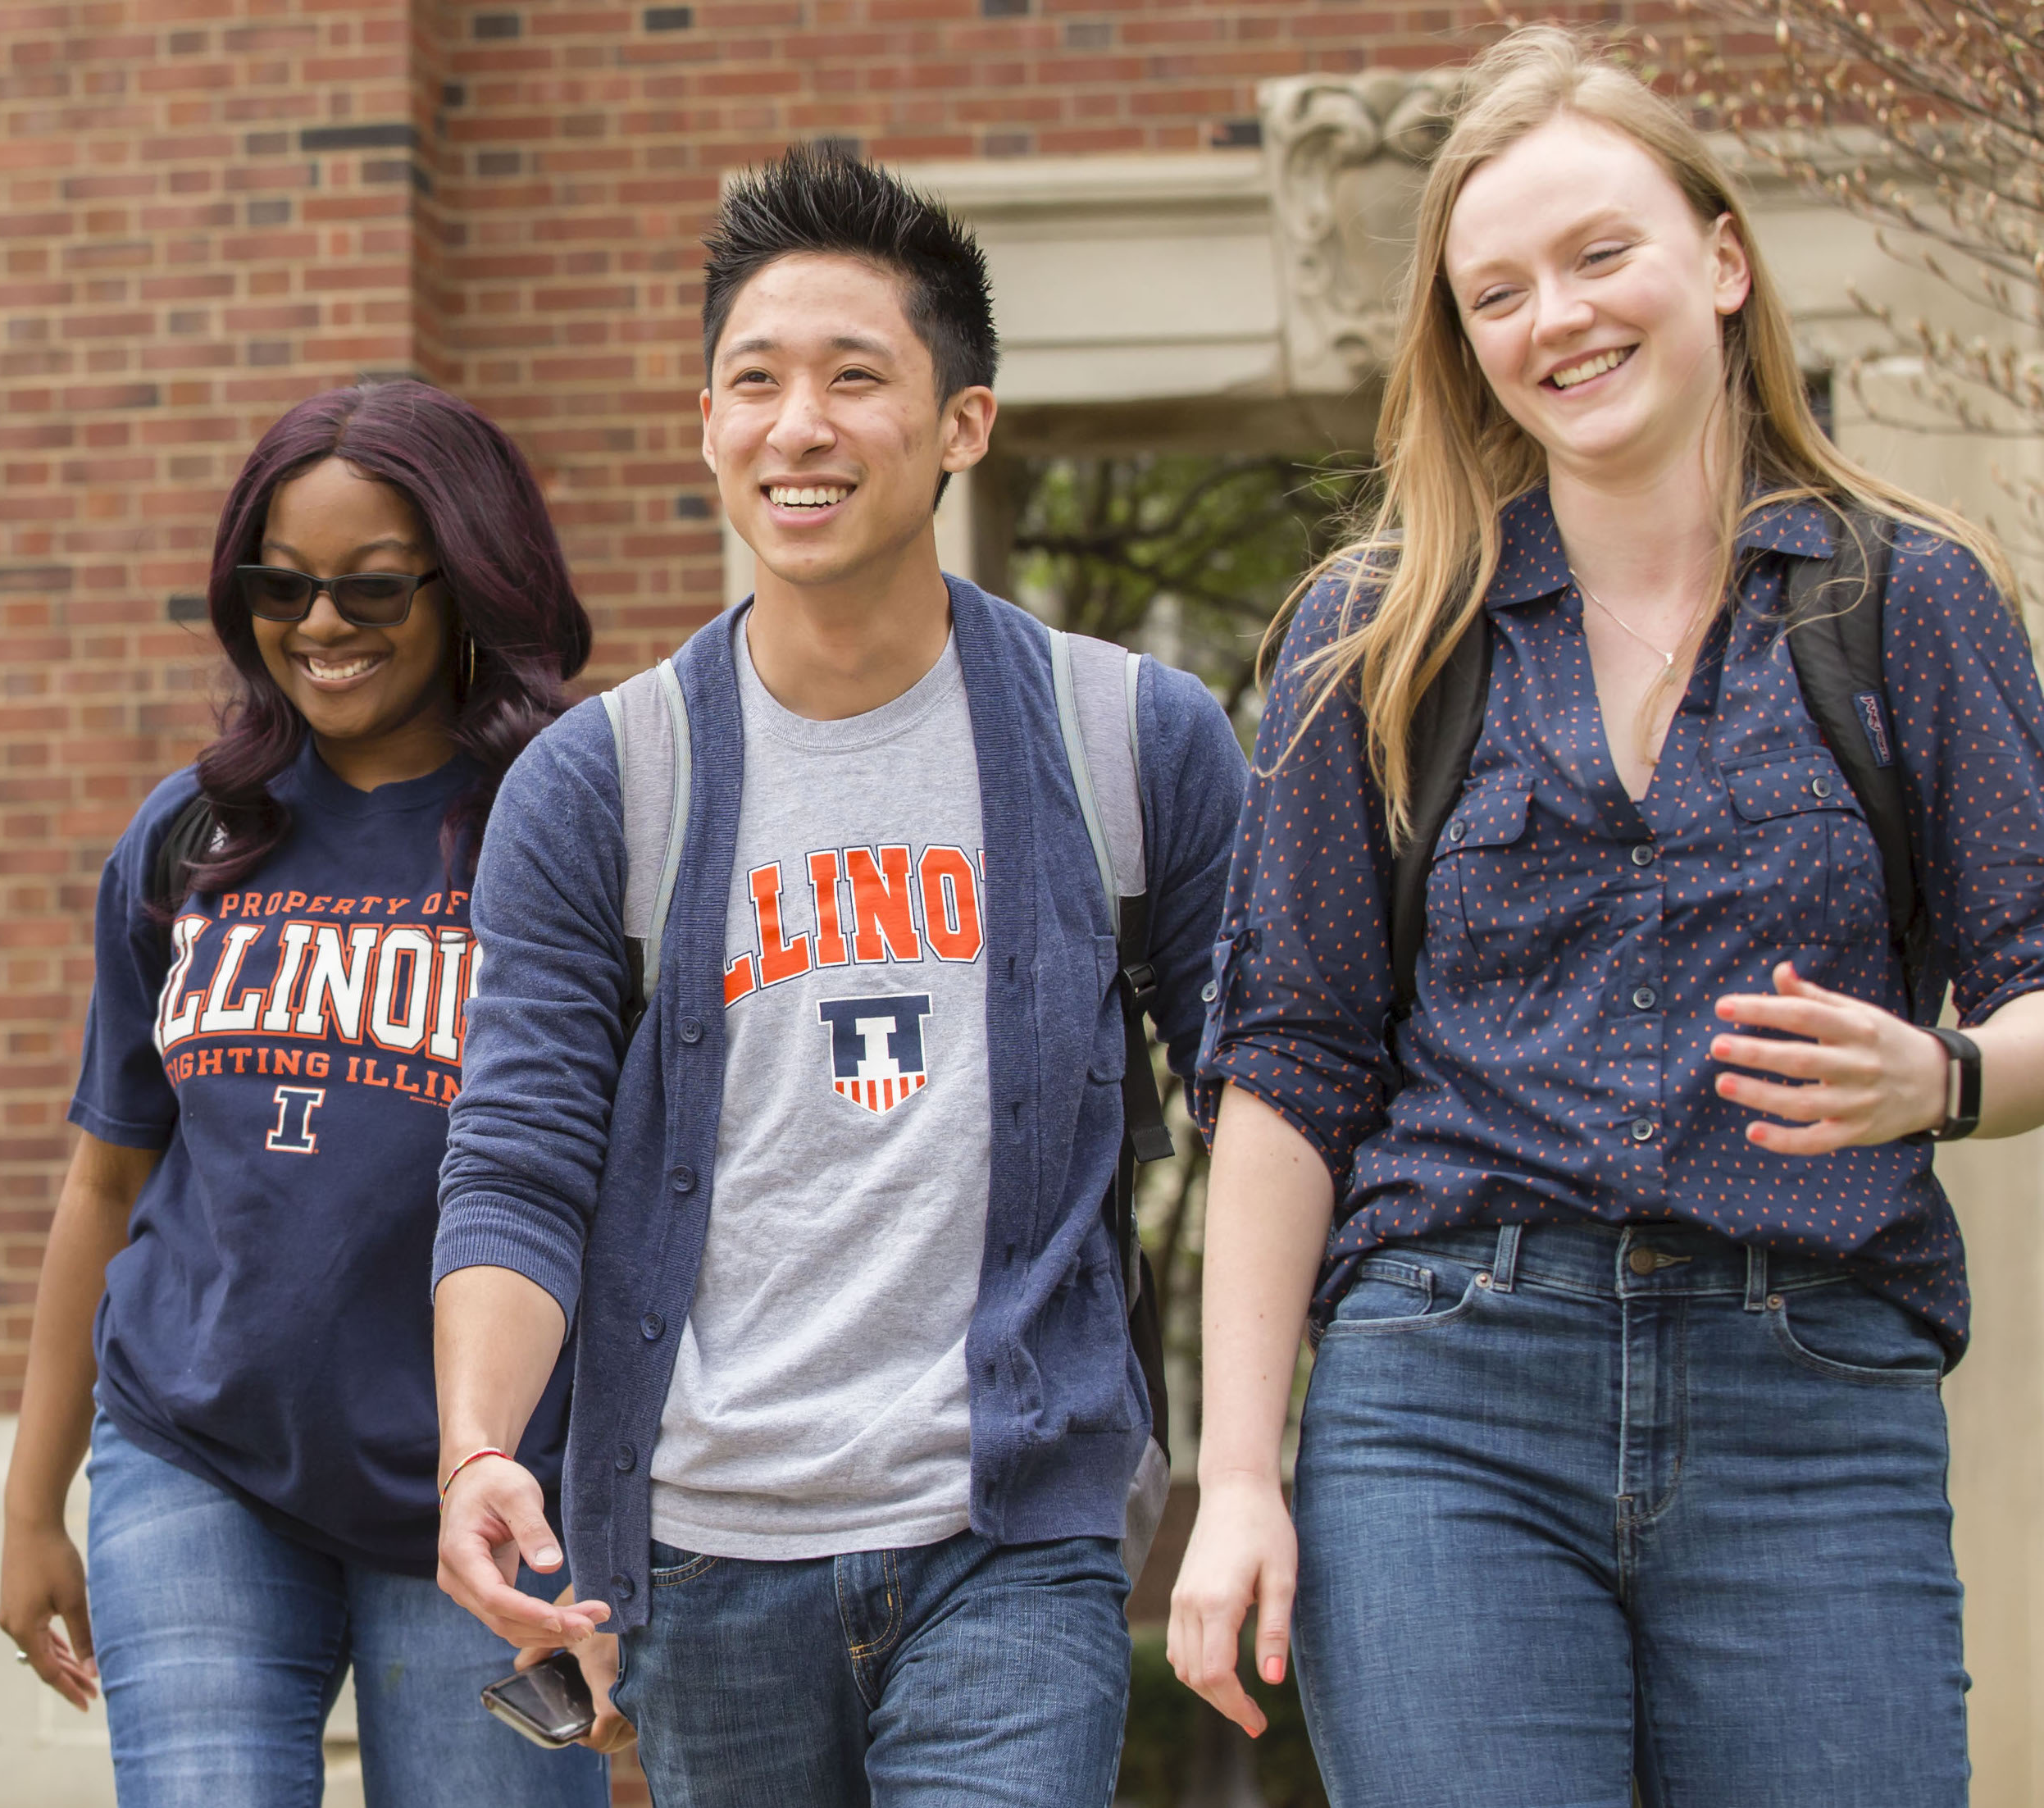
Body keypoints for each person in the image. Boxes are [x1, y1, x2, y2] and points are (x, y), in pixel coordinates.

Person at [1168, 27, 2044, 1806]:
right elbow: (1287, 1068)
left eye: (1597, 255)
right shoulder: (1378, 635)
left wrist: (1942, 1076)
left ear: (1720, 261)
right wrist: (1239, 1474)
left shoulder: (1912, 601)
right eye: (1497, 291)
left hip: (1810, 1397)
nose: (1555, 318)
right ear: (1465, 340)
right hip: (1446, 1403)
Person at [428, 143, 1245, 1806]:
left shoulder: (1130, 741)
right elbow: (517, 1155)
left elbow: (1271, 1107)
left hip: (1009, 1530)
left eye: (853, 377)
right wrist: (481, 1446)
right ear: (710, 422)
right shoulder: (606, 784)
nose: (796, 426)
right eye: (754, 381)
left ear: (964, 423)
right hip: (708, 1555)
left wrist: (1258, 1461)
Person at [0, 380, 608, 1808]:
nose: (320, 626)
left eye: (372, 587)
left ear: (471, 583)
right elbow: (109, 1176)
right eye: (281, 584)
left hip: (490, 1483)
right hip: (194, 1447)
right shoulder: (193, 833)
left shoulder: (568, 829)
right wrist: (34, 1499)